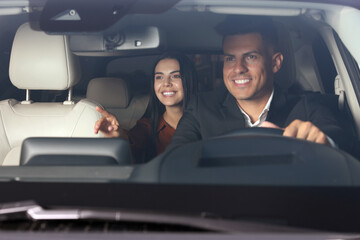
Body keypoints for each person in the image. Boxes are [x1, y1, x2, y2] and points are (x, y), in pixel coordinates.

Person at [168, 15, 351, 150]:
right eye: (230, 59)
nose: (238, 68)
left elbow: (339, 137)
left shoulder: (307, 107)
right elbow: (174, 160)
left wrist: (324, 141)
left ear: (275, 63)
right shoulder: (202, 109)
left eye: (251, 57)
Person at [94, 52, 198, 162]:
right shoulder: (148, 126)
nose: (166, 83)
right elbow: (132, 139)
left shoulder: (208, 121)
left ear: (188, 79)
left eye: (175, 76)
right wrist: (118, 134)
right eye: (159, 77)